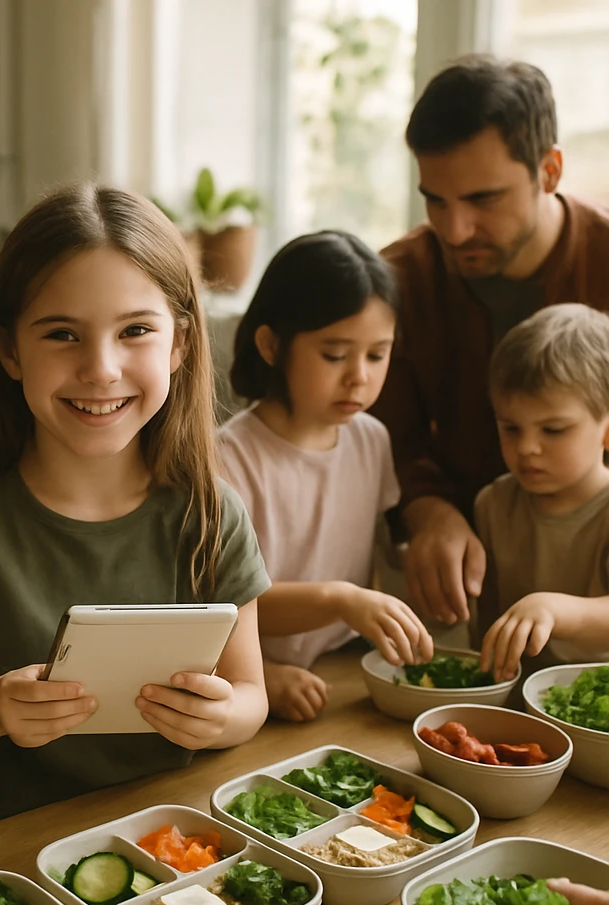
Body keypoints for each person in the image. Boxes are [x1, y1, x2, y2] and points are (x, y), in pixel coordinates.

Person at [0, 184, 270, 817]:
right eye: (62, 334)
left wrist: (222, 718)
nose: (101, 368)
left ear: (179, 345)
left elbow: (252, 695)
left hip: (172, 838)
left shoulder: (213, 515)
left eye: (135, 331)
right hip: (6, 847)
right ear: (9, 351)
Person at [372, 56, 609, 630]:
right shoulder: (397, 281)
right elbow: (380, 438)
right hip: (454, 605)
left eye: (483, 199)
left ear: (549, 171)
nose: (455, 231)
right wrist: (428, 510)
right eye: (436, 200)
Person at [218, 231, 433, 722]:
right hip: (248, 676)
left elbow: (364, 557)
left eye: (377, 355)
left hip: (342, 671)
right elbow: (220, 604)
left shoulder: (371, 439)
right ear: (271, 345)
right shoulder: (229, 457)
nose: (359, 376)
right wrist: (265, 673)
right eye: (335, 355)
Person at [475, 304, 609, 681]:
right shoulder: (494, 504)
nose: (527, 448)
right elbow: (487, 623)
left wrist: (553, 610)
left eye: (553, 430)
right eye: (511, 428)